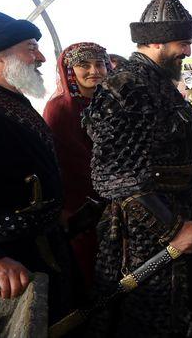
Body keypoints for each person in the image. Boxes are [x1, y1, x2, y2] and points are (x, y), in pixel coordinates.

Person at [84, 0, 192, 337]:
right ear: (156, 42)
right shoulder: (127, 87)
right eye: (183, 43)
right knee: (149, 317)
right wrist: (172, 228)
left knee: (176, 309)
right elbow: (115, 176)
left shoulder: (155, 81)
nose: (188, 51)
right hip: (143, 231)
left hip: (174, 208)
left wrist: (189, 210)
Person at [0, 4, 75, 321]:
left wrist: (55, 209)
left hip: (40, 244)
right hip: (5, 261)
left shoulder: (7, 96)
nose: (41, 57)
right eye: (31, 48)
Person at [43, 42, 111, 292]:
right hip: (81, 204)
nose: (94, 71)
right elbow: (67, 163)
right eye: (84, 65)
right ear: (70, 70)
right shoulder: (60, 108)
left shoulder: (113, 103)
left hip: (121, 198)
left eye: (100, 64)